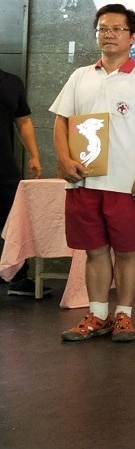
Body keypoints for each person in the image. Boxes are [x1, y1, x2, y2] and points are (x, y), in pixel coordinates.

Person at [53, 4, 135, 342]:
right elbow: (61, 121)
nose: (108, 34)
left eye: (117, 29)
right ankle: (98, 315)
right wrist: (64, 160)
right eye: (102, 28)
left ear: (132, 36)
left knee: (127, 251)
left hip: (126, 183)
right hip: (84, 181)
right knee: (94, 251)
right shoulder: (80, 76)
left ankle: (124, 315)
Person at [1, 66, 42, 297]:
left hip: (5, 167)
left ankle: (18, 278)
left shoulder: (12, 82)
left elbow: (23, 121)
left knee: (14, 222)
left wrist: (34, 155)